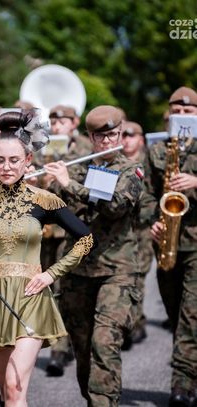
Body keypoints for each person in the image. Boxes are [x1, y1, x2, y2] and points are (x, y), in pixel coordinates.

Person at [0, 110, 94, 407]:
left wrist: (51, 273)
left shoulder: (44, 200)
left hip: (31, 298)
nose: (6, 167)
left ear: (28, 160)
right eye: (0, 160)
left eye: (14, 160)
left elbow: (87, 238)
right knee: (6, 392)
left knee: (15, 387)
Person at [44, 105, 144, 406]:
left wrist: (70, 185)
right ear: (91, 137)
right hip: (78, 271)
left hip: (117, 270)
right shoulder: (75, 168)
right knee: (83, 347)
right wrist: (43, 184)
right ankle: (94, 399)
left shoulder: (130, 170)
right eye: (101, 137)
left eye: (114, 135)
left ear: (121, 133)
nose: (109, 141)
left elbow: (116, 206)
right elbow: (48, 211)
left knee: (105, 342)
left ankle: (104, 402)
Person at [145, 86, 197, 406]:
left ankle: (182, 386)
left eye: (188, 112)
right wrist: (152, 219)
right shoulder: (157, 150)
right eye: (177, 112)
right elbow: (148, 194)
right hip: (168, 241)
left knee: (192, 315)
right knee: (176, 313)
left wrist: (196, 182)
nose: (182, 116)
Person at [41, 104, 93, 376]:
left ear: (75, 122)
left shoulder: (86, 149)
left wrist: (64, 179)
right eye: (53, 121)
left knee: (63, 288)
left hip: (69, 228)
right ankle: (57, 340)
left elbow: (88, 189)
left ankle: (59, 350)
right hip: (43, 228)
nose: (57, 125)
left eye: (62, 121)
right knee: (45, 288)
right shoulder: (42, 146)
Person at [120, 121, 153, 348]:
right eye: (123, 135)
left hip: (142, 229)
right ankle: (127, 322)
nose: (126, 140)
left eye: (131, 135)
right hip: (121, 230)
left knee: (138, 277)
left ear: (141, 139)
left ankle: (136, 322)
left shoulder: (149, 162)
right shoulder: (116, 163)